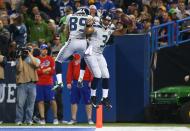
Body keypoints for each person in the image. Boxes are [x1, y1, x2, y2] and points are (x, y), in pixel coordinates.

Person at [84, 11, 125, 109]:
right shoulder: (96, 25)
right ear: (102, 19)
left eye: (108, 20)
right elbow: (87, 31)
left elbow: (120, 33)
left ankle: (104, 98)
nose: (106, 22)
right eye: (105, 20)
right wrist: (88, 25)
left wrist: (126, 26)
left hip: (99, 54)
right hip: (90, 53)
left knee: (106, 75)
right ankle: (93, 96)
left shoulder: (111, 28)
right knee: (97, 75)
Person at [54, 8, 93, 89]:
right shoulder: (89, 17)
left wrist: (67, 41)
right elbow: (89, 31)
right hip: (83, 41)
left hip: (72, 41)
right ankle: (80, 78)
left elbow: (66, 30)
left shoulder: (70, 16)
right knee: (84, 59)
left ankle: (60, 82)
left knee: (58, 61)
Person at [15, 45, 40, 125]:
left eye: (29, 49)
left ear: (32, 50)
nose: (27, 50)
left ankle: (28, 120)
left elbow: (36, 64)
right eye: (27, 49)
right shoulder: (19, 59)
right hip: (22, 84)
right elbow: (19, 68)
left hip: (32, 84)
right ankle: (19, 120)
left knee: (31, 104)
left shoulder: (35, 59)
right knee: (20, 103)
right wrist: (20, 57)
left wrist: (29, 54)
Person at [66, 54, 94, 125]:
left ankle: (89, 119)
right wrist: (69, 82)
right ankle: (73, 119)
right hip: (75, 82)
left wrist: (91, 81)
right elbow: (69, 71)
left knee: (88, 101)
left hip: (86, 81)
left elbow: (92, 70)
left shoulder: (88, 58)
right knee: (73, 101)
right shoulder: (73, 58)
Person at [36, 44, 58, 125]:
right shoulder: (37, 59)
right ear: (40, 50)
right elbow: (37, 72)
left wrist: (43, 70)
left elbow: (52, 71)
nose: (44, 50)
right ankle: (42, 118)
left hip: (49, 83)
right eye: (43, 49)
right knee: (40, 101)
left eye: (46, 49)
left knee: (52, 100)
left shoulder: (51, 59)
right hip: (39, 83)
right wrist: (46, 70)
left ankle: (55, 118)